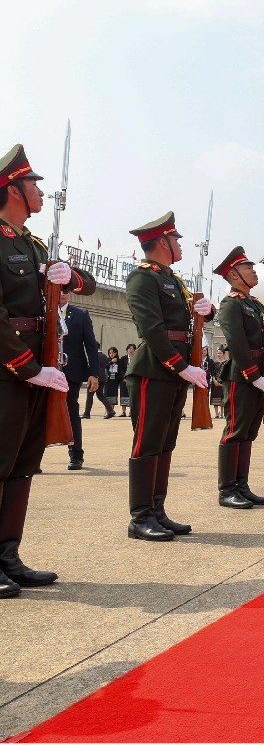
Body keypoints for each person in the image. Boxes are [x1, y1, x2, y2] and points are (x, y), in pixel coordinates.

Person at [0, 143, 95, 597]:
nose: (41, 190)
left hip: (40, 368)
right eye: (33, 183)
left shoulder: (34, 245)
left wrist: (67, 277)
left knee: (22, 465)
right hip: (8, 369)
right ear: (13, 189)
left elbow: (86, 285)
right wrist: (27, 366)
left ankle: (8, 556)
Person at [123, 211, 214, 541]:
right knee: (147, 442)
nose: (179, 245)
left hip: (173, 371)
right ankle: (140, 516)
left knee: (165, 442)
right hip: (154, 370)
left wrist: (208, 311)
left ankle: (157, 510)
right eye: (175, 240)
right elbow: (152, 328)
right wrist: (180, 366)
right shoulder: (142, 278)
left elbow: (188, 316)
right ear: (162, 242)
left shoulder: (173, 279)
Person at [213, 246, 264, 509]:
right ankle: (227, 489)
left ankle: (242, 485)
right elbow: (237, 342)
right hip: (241, 375)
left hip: (256, 374)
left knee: (249, 431)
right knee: (235, 431)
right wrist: (253, 376)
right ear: (234, 274)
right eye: (248, 267)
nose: (254, 271)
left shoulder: (254, 304)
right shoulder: (231, 303)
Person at [60, 289, 101, 470]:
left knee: (71, 412)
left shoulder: (81, 314)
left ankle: (76, 455)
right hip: (45, 372)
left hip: (72, 372)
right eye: (58, 290)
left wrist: (94, 373)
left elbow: (91, 346)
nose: (61, 294)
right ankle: (34, 459)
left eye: (65, 290)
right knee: (39, 414)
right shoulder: (43, 312)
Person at [81, 347, 114, 420]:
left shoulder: (94, 355)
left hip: (95, 377)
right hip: (103, 378)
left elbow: (90, 366)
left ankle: (87, 413)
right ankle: (111, 410)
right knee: (100, 395)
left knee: (90, 396)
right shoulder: (104, 356)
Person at [102, 347, 126, 417]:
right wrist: (111, 362)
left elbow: (121, 370)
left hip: (115, 381)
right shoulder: (107, 360)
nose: (111, 354)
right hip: (108, 381)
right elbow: (104, 366)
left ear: (116, 353)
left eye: (113, 352)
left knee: (113, 396)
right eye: (110, 353)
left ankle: (111, 410)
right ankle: (106, 411)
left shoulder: (119, 361)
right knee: (106, 395)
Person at [209, 346, 227, 419]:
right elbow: (212, 372)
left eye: (220, 353)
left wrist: (222, 382)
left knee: (223, 398)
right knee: (215, 397)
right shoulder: (214, 362)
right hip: (215, 382)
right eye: (218, 353)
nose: (218, 354)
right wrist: (214, 380)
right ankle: (216, 413)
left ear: (223, 354)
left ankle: (222, 413)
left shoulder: (226, 363)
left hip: (223, 382)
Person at [121, 344, 135, 417]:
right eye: (129, 349)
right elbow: (120, 369)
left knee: (131, 395)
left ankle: (131, 412)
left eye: (132, 349)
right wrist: (124, 377)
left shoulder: (136, 358)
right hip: (124, 380)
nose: (131, 350)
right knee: (124, 394)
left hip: (133, 380)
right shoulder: (123, 358)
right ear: (127, 350)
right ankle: (123, 412)